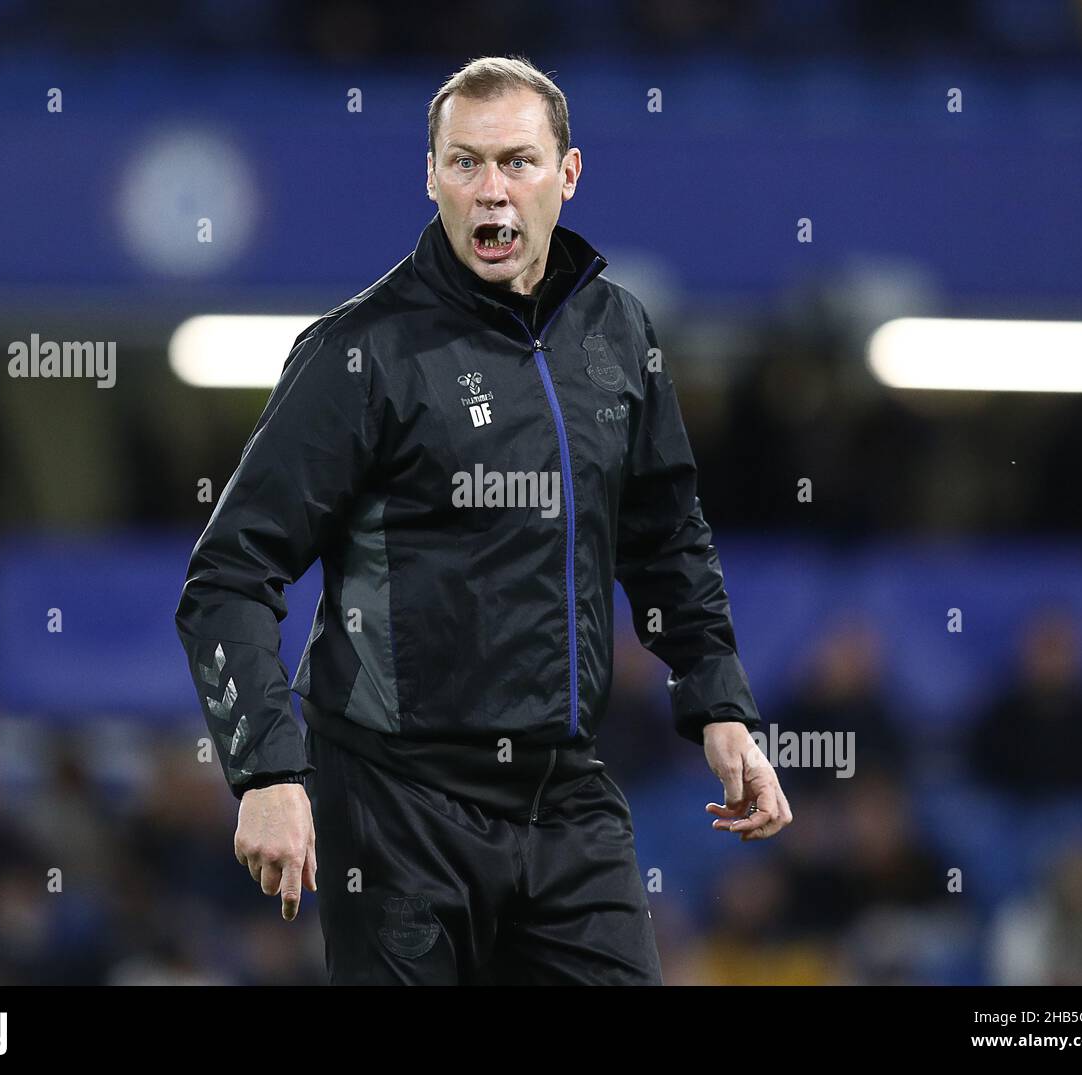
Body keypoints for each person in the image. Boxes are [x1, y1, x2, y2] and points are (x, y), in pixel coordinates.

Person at [176, 55, 792, 986]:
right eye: (465, 164)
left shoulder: (617, 334)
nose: (491, 190)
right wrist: (267, 770)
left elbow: (666, 537)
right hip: (396, 802)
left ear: (568, 174)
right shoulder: (359, 352)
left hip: (565, 792)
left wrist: (719, 703)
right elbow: (228, 577)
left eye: (517, 162)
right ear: (431, 177)